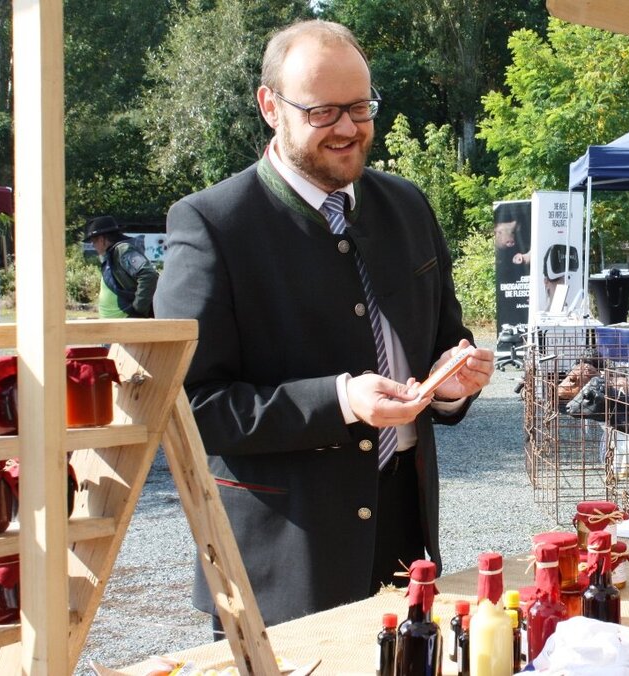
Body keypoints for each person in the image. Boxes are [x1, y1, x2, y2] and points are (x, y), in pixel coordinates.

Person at [153, 19, 494, 630]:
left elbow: (445, 337)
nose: (347, 128)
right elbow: (188, 406)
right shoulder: (211, 225)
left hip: (402, 531)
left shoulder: (408, 205)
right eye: (323, 111)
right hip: (282, 557)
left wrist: (449, 386)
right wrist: (340, 400)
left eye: (361, 107)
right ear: (269, 107)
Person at [83, 215, 158, 318]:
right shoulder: (113, 253)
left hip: (127, 326)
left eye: (94, 241)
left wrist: (138, 309)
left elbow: (149, 274)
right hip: (117, 327)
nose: (93, 246)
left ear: (102, 239)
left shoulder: (123, 250)